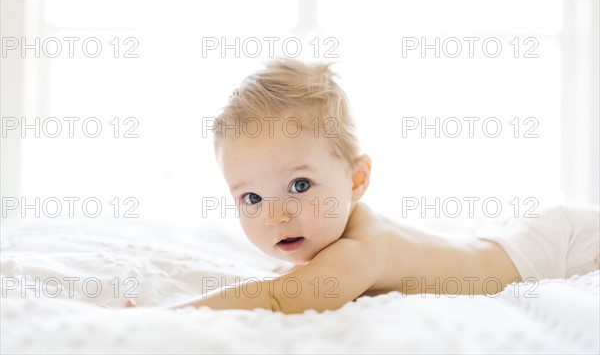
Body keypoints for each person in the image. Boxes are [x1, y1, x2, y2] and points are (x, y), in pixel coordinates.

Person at [127, 58, 599, 314]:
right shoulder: (347, 231)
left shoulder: (359, 253)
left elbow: (274, 298)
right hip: (517, 237)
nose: (275, 215)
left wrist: (168, 313)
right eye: (251, 197)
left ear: (357, 180)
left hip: (554, 247)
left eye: (299, 185)